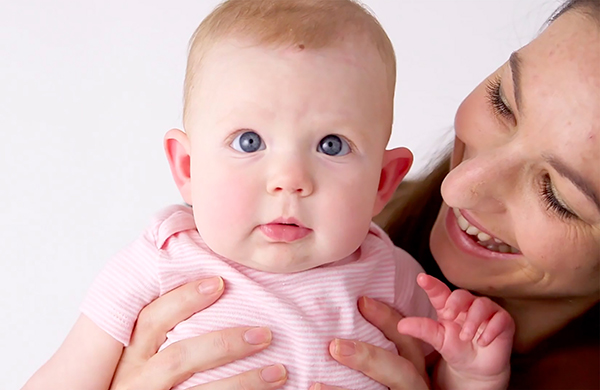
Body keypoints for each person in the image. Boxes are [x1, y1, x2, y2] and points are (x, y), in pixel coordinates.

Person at [55, 0, 597, 388]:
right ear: (188, 166)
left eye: (557, 195)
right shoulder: (160, 259)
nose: (289, 179)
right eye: (504, 102)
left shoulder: (394, 274)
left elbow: (449, 372)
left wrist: (475, 371)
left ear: (382, 181)